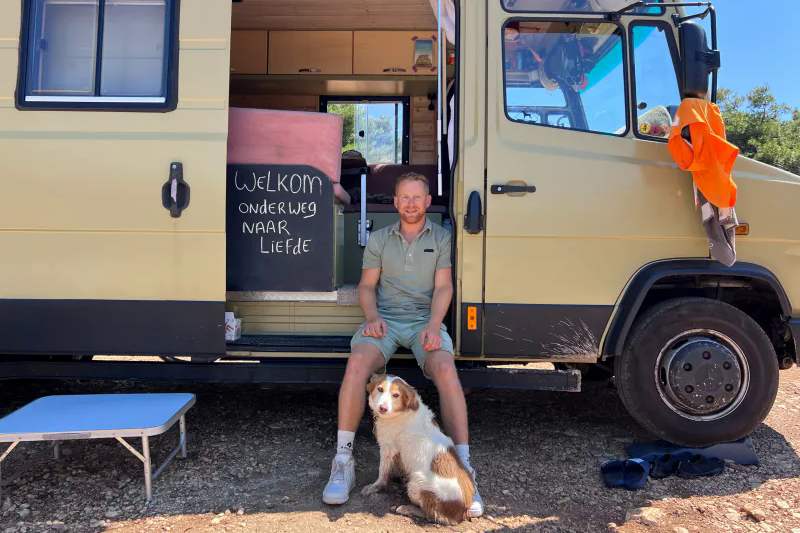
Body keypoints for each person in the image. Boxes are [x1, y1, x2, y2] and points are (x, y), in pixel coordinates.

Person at [321, 172, 483, 517]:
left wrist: (435, 325)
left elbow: (443, 288)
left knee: (445, 368)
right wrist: (373, 316)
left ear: (427, 202)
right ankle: (343, 460)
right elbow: (366, 287)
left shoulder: (440, 238)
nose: (410, 204)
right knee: (357, 365)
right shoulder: (380, 239)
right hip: (387, 320)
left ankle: (464, 468)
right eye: (404, 198)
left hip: (425, 320)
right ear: (395, 203)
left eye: (417, 198)